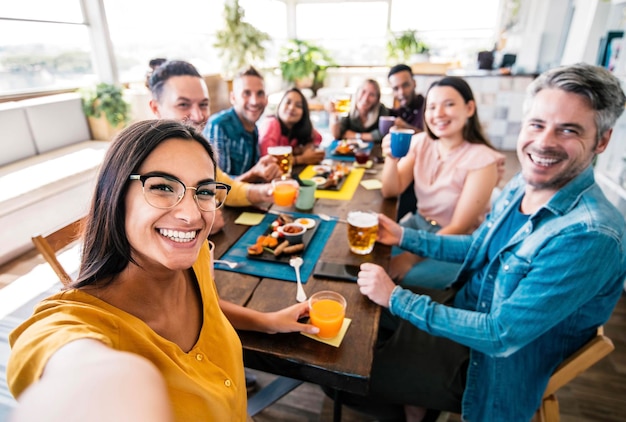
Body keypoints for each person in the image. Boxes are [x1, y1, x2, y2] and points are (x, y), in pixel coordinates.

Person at [343, 63, 626, 421]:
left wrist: (397, 297)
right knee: (353, 322)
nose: (543, 142)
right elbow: (477, 246)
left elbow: (499, 335)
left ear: (602, 140)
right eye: (537, 124)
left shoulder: (589, 234)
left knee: (345, 370)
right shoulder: (524, 183)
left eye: (568, 130)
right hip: (466, 311)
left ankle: (419, 402)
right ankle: (416, 400)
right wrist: (403, 235)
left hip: (488, 367)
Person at [7, 120, 319, 421]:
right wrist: (102, 384)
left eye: (205, 191)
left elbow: (210, 307)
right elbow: (68, 364)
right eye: (162, 187)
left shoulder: (194, 259)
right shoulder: (74, 322)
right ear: (115, 194)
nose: (191, 214)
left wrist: (269, 322)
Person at [381, 76, 505, 288]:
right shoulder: (421, 143)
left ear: (469, 108)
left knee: (401, 284)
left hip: (455, 243)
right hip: (418, 226)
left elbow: (459, 226)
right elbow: (391, 190)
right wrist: (391, 159)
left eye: (449, 104)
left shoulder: (484, 160)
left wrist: (409, 258)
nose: (438, 114)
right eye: (432, 107)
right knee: (372, 257)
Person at [148, 60, 275, 234]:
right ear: (156, 108)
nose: (198, 115)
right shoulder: (143, 158)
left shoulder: (194, 152)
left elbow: (225, 187)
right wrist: (201, 223)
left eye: (203, 105)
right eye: (183, 104)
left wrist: (268, 191)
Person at [204, 66, 281, 183]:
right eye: (246, 93)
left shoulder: (254, 128)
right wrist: (254, 174)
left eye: (260, 93)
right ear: (233, 98)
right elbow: (216, 185)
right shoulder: (218, 125)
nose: (254, 101)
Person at [259, 87, 325, 165]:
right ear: (280, 105)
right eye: (288, 102)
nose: (292, 108)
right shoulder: (271, 123)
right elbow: (268, 161)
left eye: (298, 105)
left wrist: (306, 147)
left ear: (303, 113)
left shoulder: (298, 126)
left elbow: (318, 138)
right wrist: (301, 159)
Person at [387, 64, 425, 133]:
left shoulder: (428, 108)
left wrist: (406, 128)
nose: (401, 92)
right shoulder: (395, 113)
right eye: (396, 89)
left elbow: (435, 139)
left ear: (414, 83)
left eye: (405, 85)